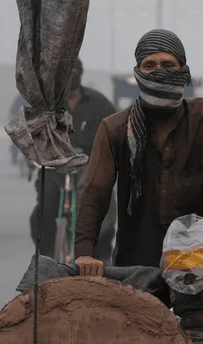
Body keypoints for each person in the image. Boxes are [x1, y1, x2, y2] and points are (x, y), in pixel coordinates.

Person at [74, 29, 203, 282]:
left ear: (183, 71)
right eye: (149, 65)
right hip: (133, 267)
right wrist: (84, 253)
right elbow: (94, 193)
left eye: (168, 64)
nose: (158, 71)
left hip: (197, 262)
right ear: (137, 72)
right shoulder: (115, 128)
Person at [30, 57, 117, 263]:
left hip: (89, 163)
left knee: (98, 197)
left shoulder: (100, 103)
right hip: (55, 165)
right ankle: (47, 255)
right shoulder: (45, 106)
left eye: (72, 71)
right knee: (45, 203)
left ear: (80, 72)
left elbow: (115, 133)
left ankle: (102, 251)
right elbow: (31, 133)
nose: (68, 76)